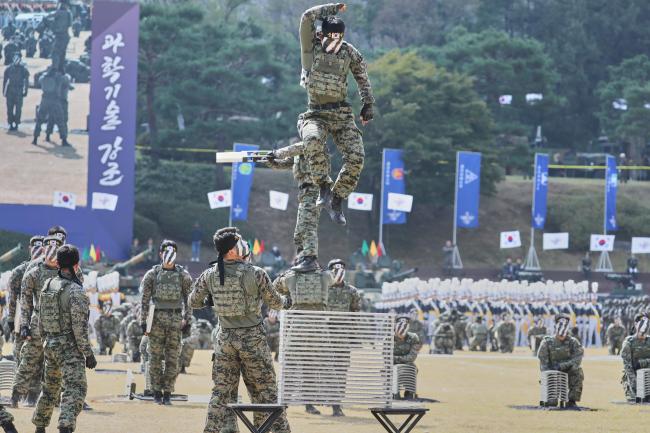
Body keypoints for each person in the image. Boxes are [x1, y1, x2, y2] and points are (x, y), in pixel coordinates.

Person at [188, 227, 291, 433]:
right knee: (266, 392)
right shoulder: (255, 273)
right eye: (239, 242)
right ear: (232, 251)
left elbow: (193, 301)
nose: (244, 244)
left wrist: (214, 298)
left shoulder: (210, 274)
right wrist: (288, 300)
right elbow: (276, 302)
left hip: (225, 339)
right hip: (252, 339)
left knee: (221, 393)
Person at [299, 2, 374, 226]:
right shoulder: (310, 47)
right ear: (321, 34)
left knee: (356, 157)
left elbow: (362, 76)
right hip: (315, 115)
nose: (333, 43)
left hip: (341, 114)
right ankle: (323, 185)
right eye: (329, 38)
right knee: (312, 139)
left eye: (337, 38)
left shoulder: (349, 52)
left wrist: (368, 103)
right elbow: (306, 17)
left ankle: (337, 199)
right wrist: (332, 8)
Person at [32, 244, 96, 433]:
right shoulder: (76, 291)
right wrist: (88, 354)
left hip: (50, 344)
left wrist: (46, 340)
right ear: (77, 265)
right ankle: (65, 426)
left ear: (57, 263)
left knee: (50, 388)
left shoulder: (47, 285)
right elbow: (79, 328)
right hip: (69, 348)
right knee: (75, 388)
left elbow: (41, 319)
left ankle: (40, 426)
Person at [273, 260, 332, 415]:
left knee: (310, 370)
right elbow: (275, 286)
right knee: (291, 368)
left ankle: (308, 404)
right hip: (296, 330)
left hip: (313, 331)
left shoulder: (320, 278)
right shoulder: (292, 278)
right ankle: (283, 402)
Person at [12, 235, 64, 407]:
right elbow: (25, 301)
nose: (52, 253)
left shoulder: (67, 272)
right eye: (49, 249)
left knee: (56, 362)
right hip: (38, 321)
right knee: (28, 360)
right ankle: (16, 396)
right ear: (43, 250)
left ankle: (54, 399)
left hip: (59, 324)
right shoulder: (33, 271)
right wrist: (24, 325)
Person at [139, 239, 192, 405]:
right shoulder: (152, 275)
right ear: (160, 254)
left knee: (173, 358)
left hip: (176, 319)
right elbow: (144, 300)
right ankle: (156, 392)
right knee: (154, 357)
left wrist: (188, 319)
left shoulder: (183, 275)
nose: (169, 255)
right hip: (156, 319)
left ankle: (168, 392)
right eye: (166, 252)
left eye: (173, 252)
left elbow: (189, 299)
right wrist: (143, 321)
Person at [266, 129, 322, 272]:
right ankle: (301, 256)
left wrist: (277, 152)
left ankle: (310, 259)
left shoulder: (310, 144)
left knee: (308, 226)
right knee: (299, 232)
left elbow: (291, 150)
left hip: (314, 190)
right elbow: (283, 163)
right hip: (304, 192)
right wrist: (271, 161)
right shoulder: (297, 154)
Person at [325, 258, 360, 416]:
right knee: (323, 369)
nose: (338, 272)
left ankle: (336, 404)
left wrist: (353, 333)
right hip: (326, 337)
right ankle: (313, 401)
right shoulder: (323, 288)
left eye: (341, 269)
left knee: (341, 371)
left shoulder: (352, 291)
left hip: (343, 338)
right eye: (335, 269)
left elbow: (355, 312)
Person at [8, 236, 44, 365]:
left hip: (33, 318)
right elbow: (12, 297)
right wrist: (11, 319)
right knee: (22, 356)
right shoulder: (19, 271)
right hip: (25, 317)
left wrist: (10, 319)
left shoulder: (19, 270)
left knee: (23, 359)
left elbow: (12, 298)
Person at [537, 314, 584, 408]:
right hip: (551, 371)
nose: (562, 336)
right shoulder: (547, 342)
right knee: (551, 403)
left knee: (578, 371)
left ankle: (571, 401)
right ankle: (548, 398)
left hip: (567, 370)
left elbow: (577, 359)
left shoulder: (573, 342)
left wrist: (562, 366)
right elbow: (543, 363)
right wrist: (548, 375)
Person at [33, 68, 69, 146]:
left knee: (39, 120)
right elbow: (66, 80)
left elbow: (39, 81)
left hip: (44, 100)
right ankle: (64, 139)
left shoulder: (43, 78)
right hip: (55, 100)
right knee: (60, 119)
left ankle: (35, 138)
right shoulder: (59, 78)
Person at [621, 313, 650, 401]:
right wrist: (638, 388)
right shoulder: (629, 342)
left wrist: (642, 362)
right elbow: (628, 367)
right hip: (633, 380)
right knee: (637, 400)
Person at [393, 316, 419, 400]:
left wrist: (396, 359)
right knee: (389, 371)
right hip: (391, 365)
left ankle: (409, 391)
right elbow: (385, 356)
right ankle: (393, 392)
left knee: (413, 369)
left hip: (407, 364)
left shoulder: (413, 337)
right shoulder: (388, 338)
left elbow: (412, 357)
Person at [3, 52, 29, 131]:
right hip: (11, 90)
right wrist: (4, 91)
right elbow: (5, 81)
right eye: (15, 57)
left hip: (19, 90)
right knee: (10, 108)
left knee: (18, 109)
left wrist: (25, 91)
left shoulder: (23, 69)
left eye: (18, 57)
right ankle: (11, 124)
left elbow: (26, 81)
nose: (16, 59)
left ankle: (16, 124)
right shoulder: (8, 68)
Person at [48, 0, 72, 71]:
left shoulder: (58, 12)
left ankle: (55, 69)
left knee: (55, 52)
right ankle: (61, 69)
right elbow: (70, 24)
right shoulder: (68, 13)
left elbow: (48, 17)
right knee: (62, 53)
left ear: (61, 4)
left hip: (59, 35)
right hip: (66, 36)